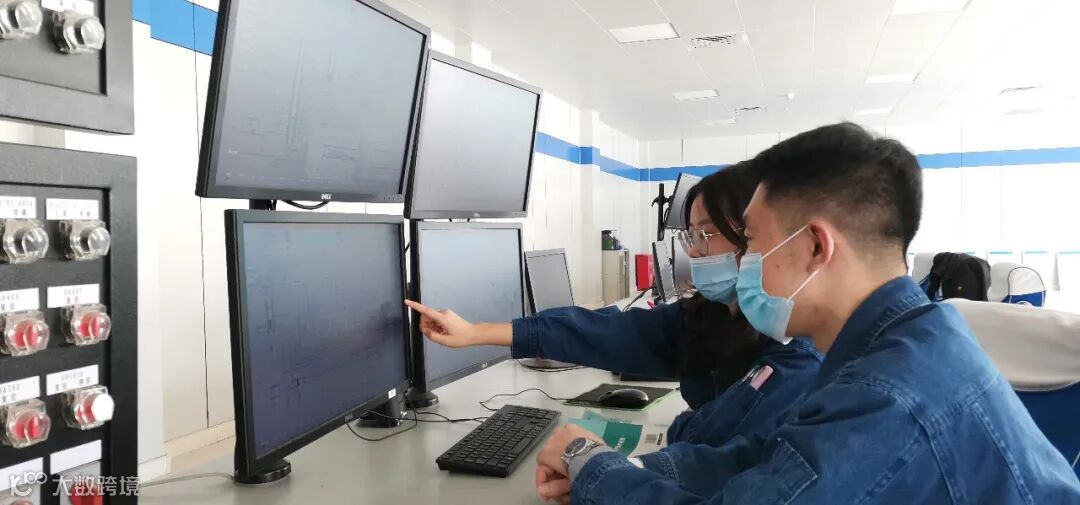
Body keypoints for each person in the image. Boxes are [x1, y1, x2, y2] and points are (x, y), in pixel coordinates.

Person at [534, 122, 1080, 504]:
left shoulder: (890, 395)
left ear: (817, 247)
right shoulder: (905, 340)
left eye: (750, 241)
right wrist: (624, 466)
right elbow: (773, 461)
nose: (743, 261)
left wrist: (589, 463)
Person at [404, 161, 823, 450]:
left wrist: (588, 462)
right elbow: (601, 332)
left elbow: (709, 443)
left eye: (705, 235)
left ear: (754, 235)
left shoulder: (797, 353)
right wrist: (476, 333)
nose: (694, 252)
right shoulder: (706, 318)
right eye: (689, 236)